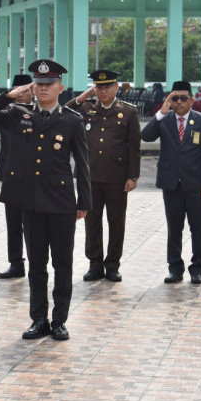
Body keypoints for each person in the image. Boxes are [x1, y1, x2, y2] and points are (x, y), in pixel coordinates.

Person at [0, 59, 90, 341]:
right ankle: (39, 318)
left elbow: (83, 165)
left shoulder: (72, 120)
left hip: (62, 202)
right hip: (30, 201)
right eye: (38, 84)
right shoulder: (18, 114)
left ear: (60, 87)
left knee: (62, 264)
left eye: (48, 84)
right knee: (37, 264)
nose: (42, 89)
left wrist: (83, 202)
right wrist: (9, 95)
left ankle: (59, 320)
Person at [66, 69, 141, 282]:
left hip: (117, 177)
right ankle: (95, 264)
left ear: (116, 87)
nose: (103, 91)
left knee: (116, 222)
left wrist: (132, 176)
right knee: (92, 222)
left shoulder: (128, 112)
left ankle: (113, 264)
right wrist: (81, 98)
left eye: (107, 86)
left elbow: (133, 147)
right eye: (99, 87)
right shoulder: (86, 108)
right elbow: (63, 112)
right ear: (94, 89)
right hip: (90, 176)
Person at [141, 81, 201, 284]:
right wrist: (160, 113)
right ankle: (175, 268)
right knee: (174, 228)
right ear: (169, 100)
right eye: (175, 98)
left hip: (197, 185)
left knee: (198, 228)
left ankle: (197, 268)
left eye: (184, 98)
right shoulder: (164, 120)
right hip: (171, 184)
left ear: (191, 100)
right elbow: (146, 137)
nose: (180, 102)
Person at [0, 74, 33, 279]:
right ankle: (16, 262)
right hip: (11, 173)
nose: (20, 94)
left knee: (33, 223)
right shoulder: (6, 112)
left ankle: (36, 262)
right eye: (16, 90)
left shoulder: (39, 111)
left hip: (35, 175)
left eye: (24, 90)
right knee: (13, 222)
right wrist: (7, 97)